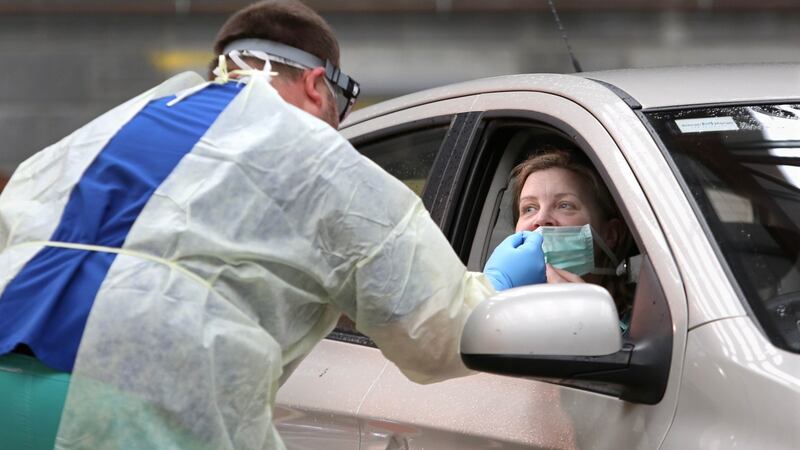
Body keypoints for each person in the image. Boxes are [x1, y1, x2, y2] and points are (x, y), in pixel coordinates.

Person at [0, 1, 543, 449]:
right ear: (314, 84)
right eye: (340, 109)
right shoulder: (318, 158)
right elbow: (435, 333)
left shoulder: (93, 136)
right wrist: (499, 287)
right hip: (134, 407)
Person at [497, 147, 634, 325]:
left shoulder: (644, 326)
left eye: (564, 205)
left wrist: (590, 324)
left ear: (610, 234)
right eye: (529, 208)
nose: (541, 219)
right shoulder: (504, 316)